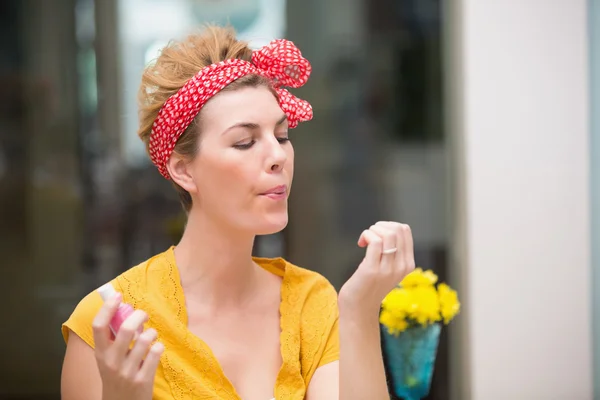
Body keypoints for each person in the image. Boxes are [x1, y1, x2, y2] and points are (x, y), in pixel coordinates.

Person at [60, 25, 415, 400]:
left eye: (281, 136)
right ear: (183, 170)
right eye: (245, 142)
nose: (278, 156)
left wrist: (359, 310)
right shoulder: (111, 325)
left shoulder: (311, 301)